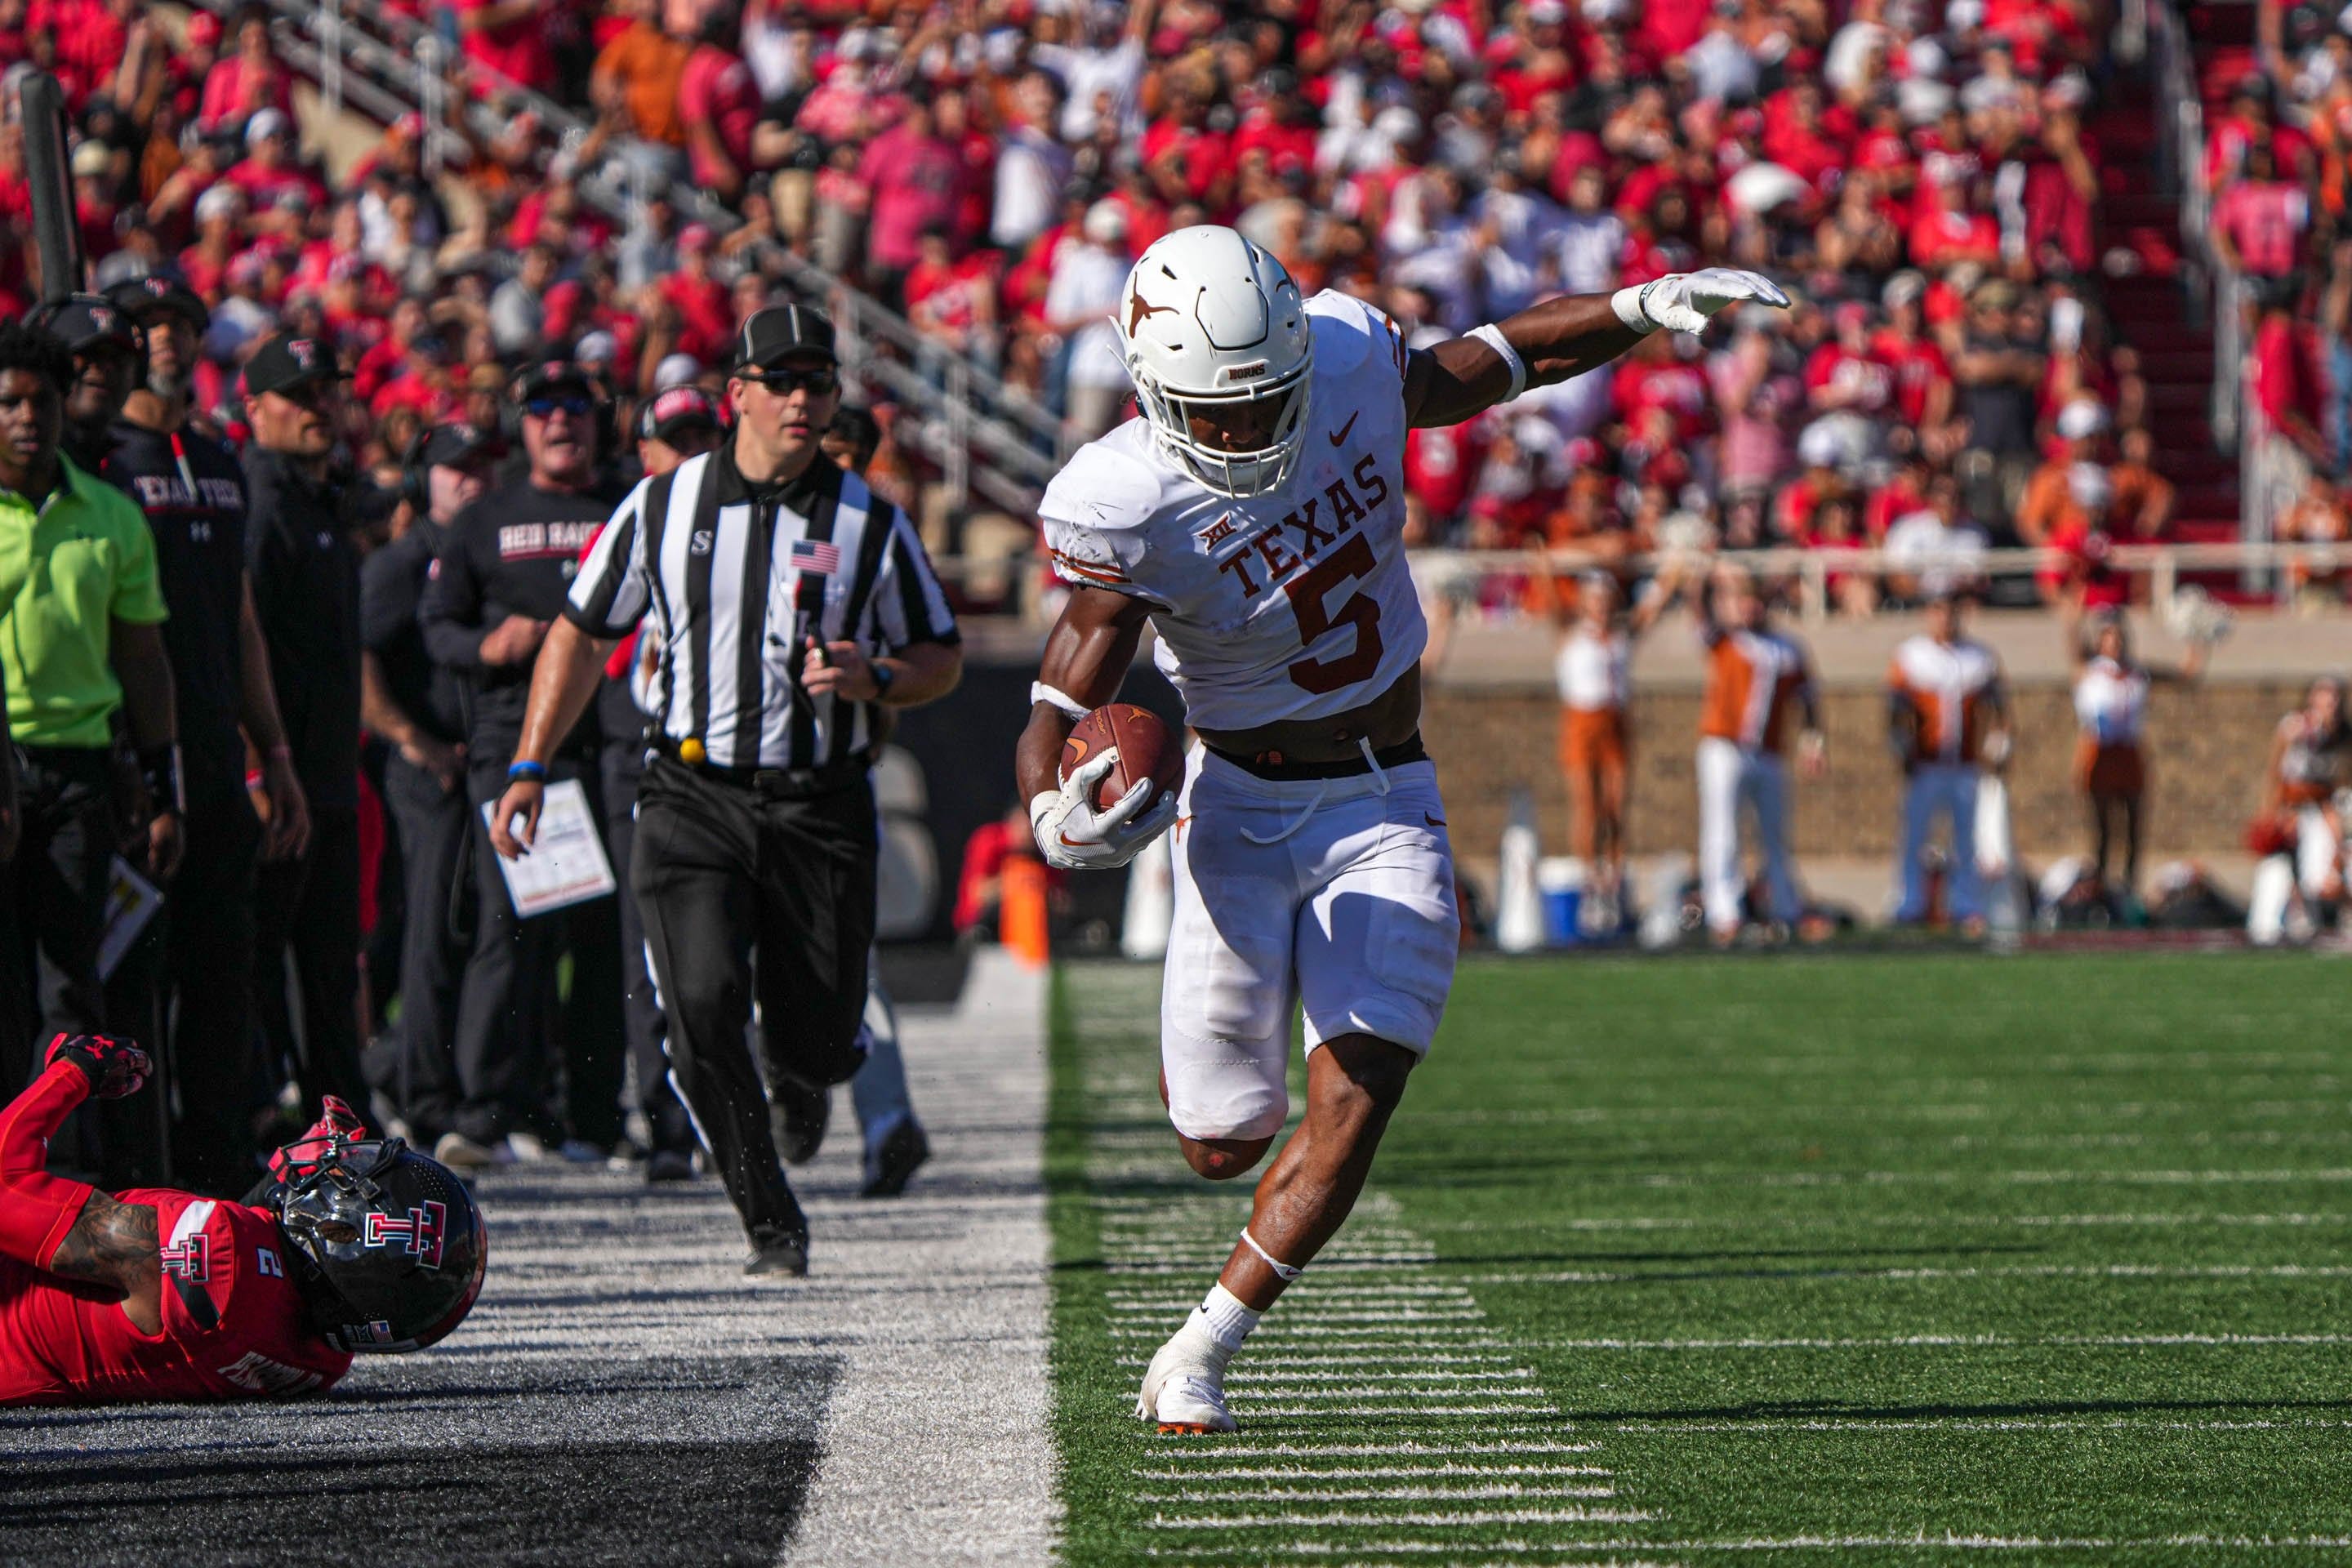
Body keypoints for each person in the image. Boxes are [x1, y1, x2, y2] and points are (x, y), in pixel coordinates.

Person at [1014, 225, 1788, 1432]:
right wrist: (1047, 799)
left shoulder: (1345, 356)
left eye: (1266, 402)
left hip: (1384, 792)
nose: (1244, 432)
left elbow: (1484, 361)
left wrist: (1640, 304)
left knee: (1363, 1078)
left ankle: (1205, 1345)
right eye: (1216, 413)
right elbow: (1069, 682)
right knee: (1220, 1141)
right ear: (1151, 386)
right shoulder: (1123, 495)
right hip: (1234, 803)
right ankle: (1217, 1196)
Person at [495, 305, 963, 1275]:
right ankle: (768, 1217)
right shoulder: (662, 505)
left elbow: (941, 655)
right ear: (737, 393)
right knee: (700, 1007)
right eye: (781, 380)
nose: (801, 399)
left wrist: (876, 678)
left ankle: (807, 1074)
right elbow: (581, 634)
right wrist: (530, 764)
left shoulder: (869, 517)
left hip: (821, 801)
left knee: (826, 1038)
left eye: (818, 384)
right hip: (691, 792)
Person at [101, 275, 310, 1196]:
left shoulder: (219, 461)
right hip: (134, 767)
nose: (169, 340)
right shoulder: (99, 455)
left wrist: (276, 753)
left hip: (222, 767)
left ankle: (217, 1176)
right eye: (150, 326)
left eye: (182, 325)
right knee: (131, 986)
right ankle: (131, 1172)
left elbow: (241, 622)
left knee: (224, 985)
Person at [0, 1031, 486, 1405]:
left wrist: (73, 1072)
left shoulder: (212, 1248)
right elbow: (253, 1283)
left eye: (351, 1181)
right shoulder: (319, 1362)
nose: (341, 1167)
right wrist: (278, 1185)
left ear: (347, 1233)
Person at [417, 362, 628, 1169]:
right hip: (512, 752)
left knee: (601, 939)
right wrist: (483, 647)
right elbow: (435, 624)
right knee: (510, 936)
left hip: (605, 748)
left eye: (577, 408)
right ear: (523, 424)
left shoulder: (623, 509)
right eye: (544, 409)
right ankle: (487, 1112)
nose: (562, 422)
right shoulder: (486, 518)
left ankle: (593, 1116)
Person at [0, 322, 177, 1127]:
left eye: (40, 401)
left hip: (80, 769)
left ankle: (60, 1181)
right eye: (8, 403)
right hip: (1, 761)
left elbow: (142, 659)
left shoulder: (109, 514)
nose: (26, 418)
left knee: (71, 977)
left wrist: (160, 778)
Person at [243, 332, 372, 1142]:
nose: (319, 405)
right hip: (276, 781)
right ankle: (263, 1129)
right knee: (256, 968)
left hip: (327, 775)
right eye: (300, 392)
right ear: (254, 407)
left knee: (331, 969)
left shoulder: (323, 498)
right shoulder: (262, 500)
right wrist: (262, 768)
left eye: (327, 388)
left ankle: (346, 1135)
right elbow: (240, 639)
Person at [359, 422, 499, 1149]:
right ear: (422, 482)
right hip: (426, 775)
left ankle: (438, 1078)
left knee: (478, 929)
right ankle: (420, 1092)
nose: (472, 479)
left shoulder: (484, 552)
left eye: (481, 466)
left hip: (486, 767)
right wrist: (415, 743)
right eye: (456, 469)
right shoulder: (401, 564)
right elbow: (359, 659)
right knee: (428, 931)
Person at [1693, 560, 1826, 945]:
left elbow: (1808, 700)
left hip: (1769, 752)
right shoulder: (1725, 640)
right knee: (1722, 831)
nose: (1750, 610)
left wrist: (1813, 743)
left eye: (1757, 602)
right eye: (1744, 601)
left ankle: (1786, 908)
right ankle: (1724, 912)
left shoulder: (1787, 648)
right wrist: (1709, 570)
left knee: (1775, 834)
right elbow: (1699, 607)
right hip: (1725, 747)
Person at [1545, 559, 1678, 934]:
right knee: (1587, 805)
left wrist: (1675, 570)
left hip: (1616, 722)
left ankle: (1614, 880)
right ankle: (1590, 883)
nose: (1601, 607)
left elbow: (1650, 609)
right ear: (1585, 603)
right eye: (1595, 600)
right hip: (1581, 723)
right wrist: (1542, 562)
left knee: (1616, 806)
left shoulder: (1622, 635)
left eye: (1606, 600)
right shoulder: (1570, 635)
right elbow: (1552, 602)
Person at [2066, 607, 2209, 909]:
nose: (2114, 644)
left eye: (2118, 637)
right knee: (2102, 829)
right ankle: (2101, 892)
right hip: (2099, 751)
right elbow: (2073, 644)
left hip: (2129, 753)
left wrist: (2197, 638)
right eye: (2107, 637)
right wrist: (2074, 609)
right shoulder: (2090, 671)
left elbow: (2186, 674)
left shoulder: (2137, 673)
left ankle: (2129, 890)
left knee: (2133, 827)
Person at [1886, 589, 2009, 930]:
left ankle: (1965, 904)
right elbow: (1896, 709)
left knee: (1966, 838)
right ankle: (1910, 904)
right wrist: (1901, 748)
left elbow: (1999, 708)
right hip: (1925, 764)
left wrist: (1998, 746)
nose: (1945, 619)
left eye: (1950, 611)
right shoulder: (1911, 655)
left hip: (1965, 763)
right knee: (1915, 836)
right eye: (1938, 611)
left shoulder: (1980, 657)